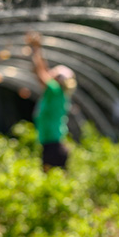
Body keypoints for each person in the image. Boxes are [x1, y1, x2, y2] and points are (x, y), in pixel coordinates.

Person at [26, 31, 76, 170]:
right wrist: (38, 49)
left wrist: (35, 49)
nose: (51, 72)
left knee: (51, 182)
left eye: (54, 72)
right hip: (54, 144)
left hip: (53, 146)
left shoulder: (55, 91)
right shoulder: (57, 92)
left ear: (59, 79)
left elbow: (41, 72)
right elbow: (44, 70)